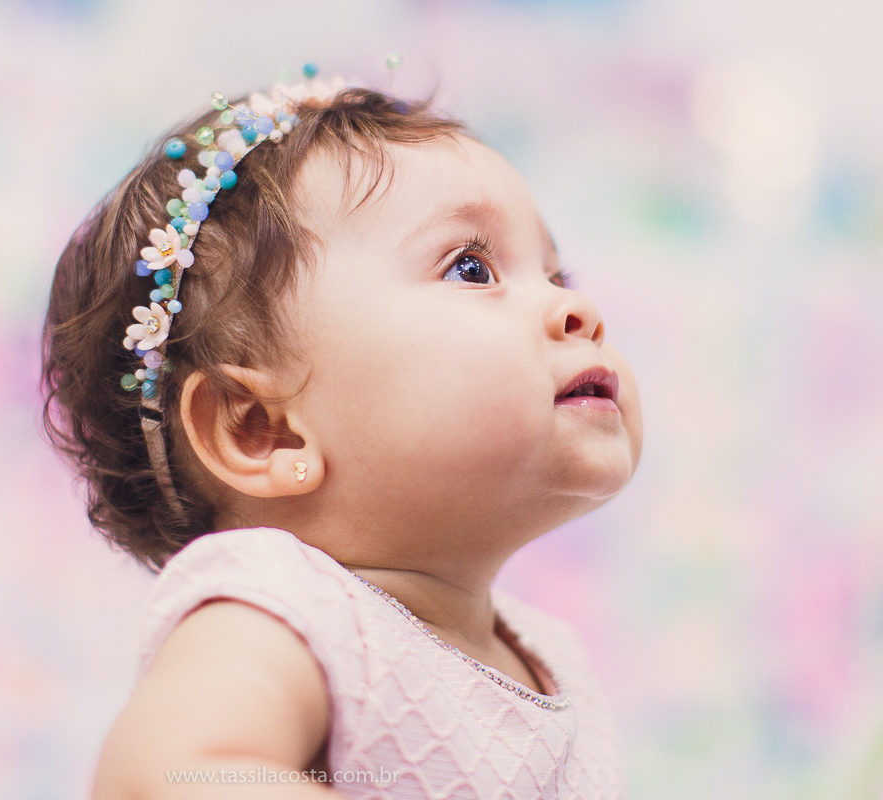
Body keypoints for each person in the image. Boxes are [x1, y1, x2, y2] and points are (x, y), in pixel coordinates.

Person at [42, 73, 643, 799]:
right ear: (262, 430)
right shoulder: (284, 612)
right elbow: (165, 775)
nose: (575, 307)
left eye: (555, 273)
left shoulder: (554, 658)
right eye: (472, 267)